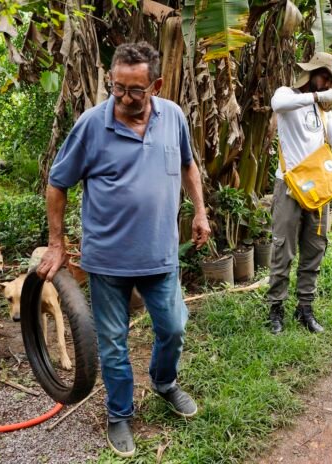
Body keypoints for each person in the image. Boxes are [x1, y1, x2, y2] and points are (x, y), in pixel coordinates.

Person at [36, 42, 210, 458]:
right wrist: (57, 244)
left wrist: (200, 211)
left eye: (135, 90)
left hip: (160, 255)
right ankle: (119, 413)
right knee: (113, 343)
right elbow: (57, 183)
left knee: (173, 328)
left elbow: (188, 164)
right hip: (107, 261)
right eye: (117, 88)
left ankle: (164, 382)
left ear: (156, 85)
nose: (125, 98)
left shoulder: (174, 117)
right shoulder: (91, 125)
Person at [266, 52, 332, 335]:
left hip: (317, 189)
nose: (328, 83)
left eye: (331, 80)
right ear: (312, 72)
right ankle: (276, 308)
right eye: (325, 77)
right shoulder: (288, 95)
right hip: (289, 186)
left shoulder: (322, 110)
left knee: (315, 248)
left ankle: (305, 308)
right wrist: (318, 96)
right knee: (283, 250)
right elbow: (277, 104)